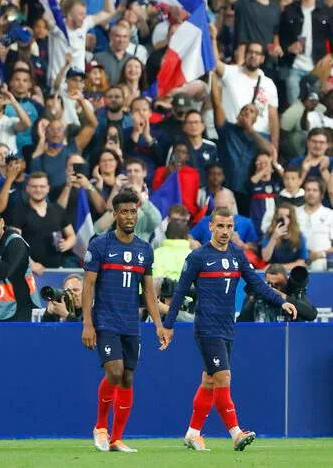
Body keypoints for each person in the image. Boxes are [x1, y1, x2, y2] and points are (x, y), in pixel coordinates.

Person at [162, 207, 298, 452]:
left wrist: (281, 300)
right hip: (206, 327)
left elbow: (256, 284)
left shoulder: (237, 255)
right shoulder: (198, 257)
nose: (225, 231)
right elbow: (180, 291)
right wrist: (168, 325)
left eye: (229, 227)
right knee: (224, 377)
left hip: (227, 327)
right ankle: (235, 433)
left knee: (210, 381)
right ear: (210, 227)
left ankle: (192, 433)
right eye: (220, 226)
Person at [82, 187, 169, 453]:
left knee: (128, 379)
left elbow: (149, 293)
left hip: (132, 323)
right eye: (124, 212)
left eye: (133, 211)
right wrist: (87, 323)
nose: (129, 216)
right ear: (115, 214)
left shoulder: (145, 250)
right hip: (106, 320)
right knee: (115, 372)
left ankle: (116, 439)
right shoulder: (100, 244)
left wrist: (158, 324)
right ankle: (100, 427)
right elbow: (88, 286)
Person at [238, 264, 317, 323]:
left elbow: (312, 314)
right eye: (270, 284)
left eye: (278, 284)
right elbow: (242, 321)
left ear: (286, 281)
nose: (273, 288)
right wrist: (252, 299)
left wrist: (284, 297)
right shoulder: (259, 293)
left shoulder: (293, 293)